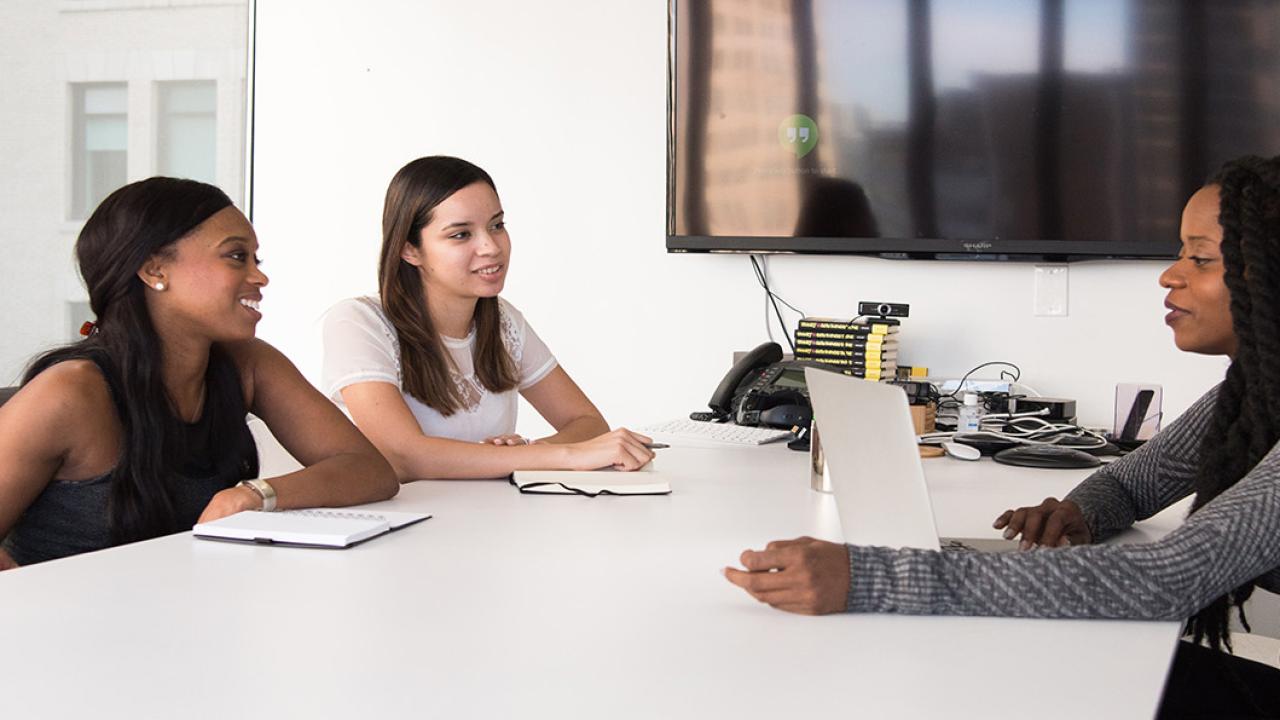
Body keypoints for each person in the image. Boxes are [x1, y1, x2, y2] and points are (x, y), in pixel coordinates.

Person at [724, 155, 1280, 717]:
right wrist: (1080, 511)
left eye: (1201, 257)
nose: (1170, 274)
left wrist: (870, 577)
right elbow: (1132, 486)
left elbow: (1168, 579)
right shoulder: (1250, 398)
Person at [0, 178, 399, 570]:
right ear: (155, 269)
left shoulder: (249, 364)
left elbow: (369, 470)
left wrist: (256, 495)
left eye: (255, 259)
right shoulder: (70, 392)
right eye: (236, 256)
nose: (260, 278)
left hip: (185, 615)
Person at [322, 156, 654, 480]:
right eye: (460, 234)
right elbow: (405, 456)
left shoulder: (504, 321)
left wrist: (527, 449)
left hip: (490, 522)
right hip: (402, 527)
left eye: (496, 225)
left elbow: (587, 422)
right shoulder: (358, 322)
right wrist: (558, 456)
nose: (491, 247)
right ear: (410, 249)